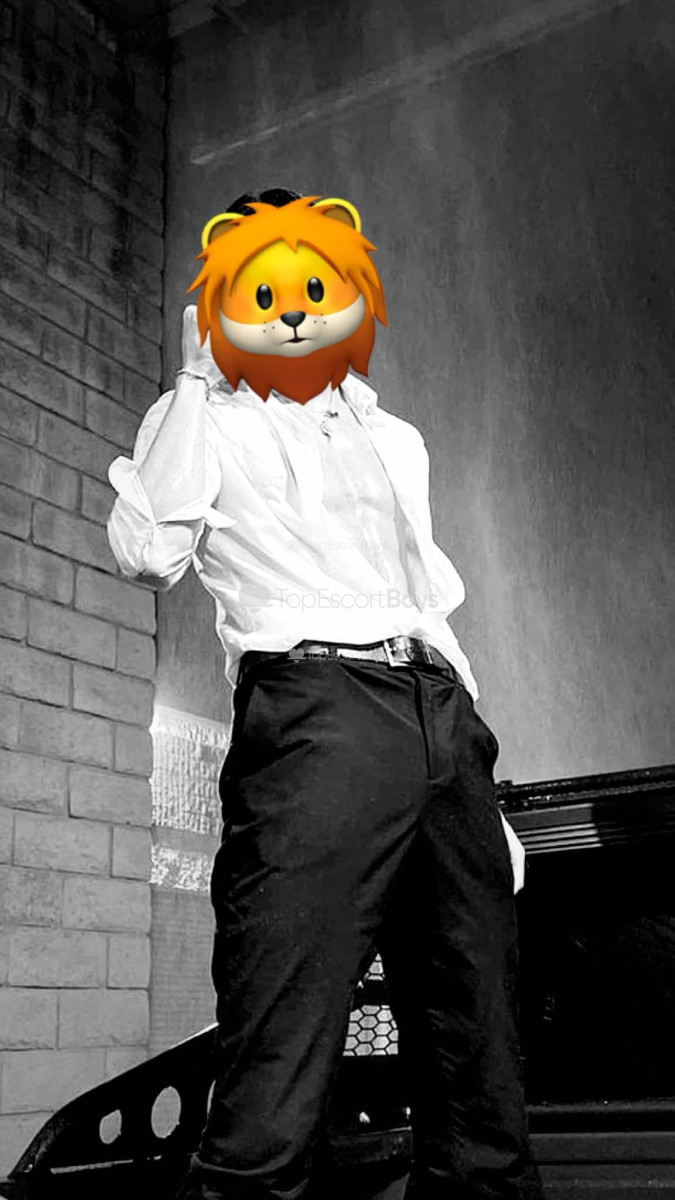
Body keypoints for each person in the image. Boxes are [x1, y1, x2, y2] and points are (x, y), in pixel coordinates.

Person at [107, 188, 542, 1199]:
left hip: (438, 712)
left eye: (315, 282)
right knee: (282, 1042)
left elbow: (424, 601)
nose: (296, 308)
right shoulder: (204, 421)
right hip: (317, 709)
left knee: (478, 1049)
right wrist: (191, 381)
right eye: (265, 288)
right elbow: (146, 551)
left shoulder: (397, 438)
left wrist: (472, 774)